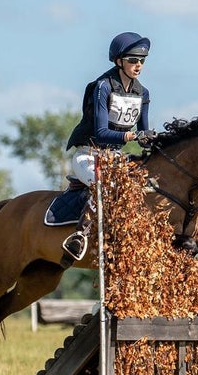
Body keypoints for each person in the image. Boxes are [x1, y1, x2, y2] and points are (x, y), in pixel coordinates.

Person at [61, 32, 157, 261]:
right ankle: (80, 235)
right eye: (133, 60)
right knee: (106, 186)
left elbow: (143, 135)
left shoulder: (142, 93)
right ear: (119, 61)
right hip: (88, 155)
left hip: (115, 159)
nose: (138, 65)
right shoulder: (103, 87)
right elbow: (101, 132)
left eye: (142, 61)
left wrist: (153, 139)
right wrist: (132, 136)